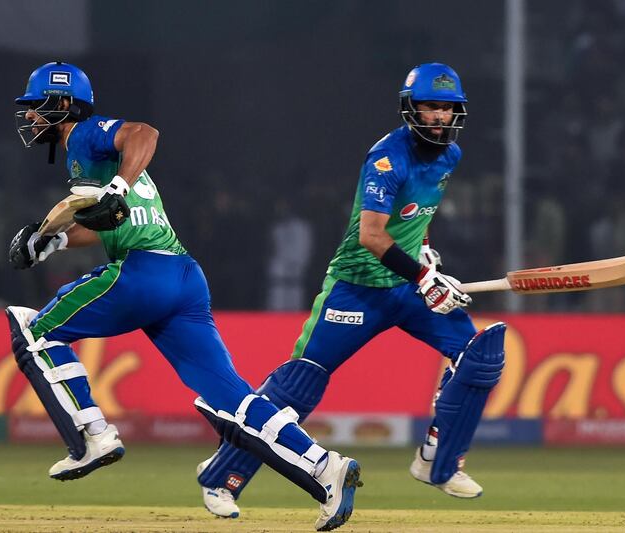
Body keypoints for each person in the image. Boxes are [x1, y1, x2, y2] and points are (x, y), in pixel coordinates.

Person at [5, 61, 361, 531]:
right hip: (184, 279)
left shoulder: (88, 135)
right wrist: (56, 240)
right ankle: (323, 467)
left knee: (34, 331)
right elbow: (107, 222)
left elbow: (144, 131)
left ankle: (92, 435)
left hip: (143, 275)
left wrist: (115, 187)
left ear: (63, 103)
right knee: (230, 397)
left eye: (36, 107)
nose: (30, 118)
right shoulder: (92, 158)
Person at [196, 63, 506, 518]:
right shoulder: (387, 158)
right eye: (430, 107)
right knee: (299, 384)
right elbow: (373, 236)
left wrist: (426, 256)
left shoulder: (450, 156)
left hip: (407, 286)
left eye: (447, 108)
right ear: (410, 109)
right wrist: (423, 277)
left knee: (481, 354)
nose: (440, 117)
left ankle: (437, 463)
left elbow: (415, 218)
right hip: (357, 288)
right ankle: (221, 477)